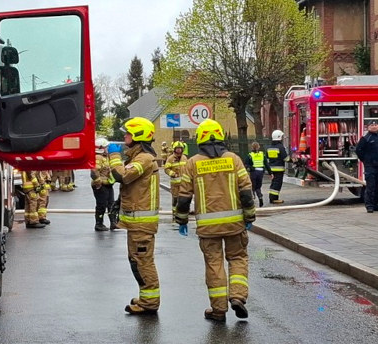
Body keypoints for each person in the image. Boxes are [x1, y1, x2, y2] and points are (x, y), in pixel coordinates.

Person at [171, 119, 257, 322]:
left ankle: (218, 310)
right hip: (235, 224)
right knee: (237, 259)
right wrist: (250, 216)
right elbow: (246, 191)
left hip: (208, 228)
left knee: (214, 263)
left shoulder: (192, 163)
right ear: (220, 137)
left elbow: (184, 197)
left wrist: (181, 221)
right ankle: (237, 296)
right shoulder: (234, 159)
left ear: (200, 138)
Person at [110, 117, 163, 314]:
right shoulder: (137, 157)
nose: (125, 137)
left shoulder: (144, 159)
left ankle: (149, 303)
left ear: (138, 136)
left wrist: (114, 157)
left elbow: (123, 175)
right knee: (137, 261)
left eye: (128, 134)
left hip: (142, 224)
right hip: (137, 223)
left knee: (142, 262)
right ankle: (146, 298)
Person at [355, 120, 378, 213]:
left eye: (375, 125)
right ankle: (369, 206)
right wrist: (365, 160)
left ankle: (377, 205)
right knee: (370, 186)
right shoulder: (366, 138)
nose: (374, 126)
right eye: (372, 125)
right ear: (368, 127)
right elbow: (358, 150)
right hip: (370, 166)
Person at [90, 137, 119, 232]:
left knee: (111, 204)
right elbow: (94, 172)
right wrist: (99, 183)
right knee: (101, 205)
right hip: (101, 186)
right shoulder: (98, 158)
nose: (108, 148)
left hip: (107, 185)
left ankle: (113, 223)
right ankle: (99, 224)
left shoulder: (105, 157)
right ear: (101, 148)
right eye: (106, 147)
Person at [265, 130, 288, 205]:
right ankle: (274, 199)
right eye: (281, 137)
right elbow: (285, 158)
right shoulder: (280, 147)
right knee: (277, 184)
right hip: (279, 169)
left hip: (271, 169)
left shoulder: (269, 147)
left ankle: (272, 198)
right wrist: (293, 160)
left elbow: (267, 158)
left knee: (274, 183)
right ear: (279, 137)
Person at [245, 141, 266, 205]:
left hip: (253, 172)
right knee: (258, 187)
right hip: (260, 172)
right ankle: (260, 196)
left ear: (252, 147)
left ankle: (253, 195)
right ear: (258, 147)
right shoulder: (262, 154)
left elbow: (246, 164)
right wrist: (271, 173)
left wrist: (249, 168)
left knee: (253, 185)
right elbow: (266, 164)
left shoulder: (250, 155)